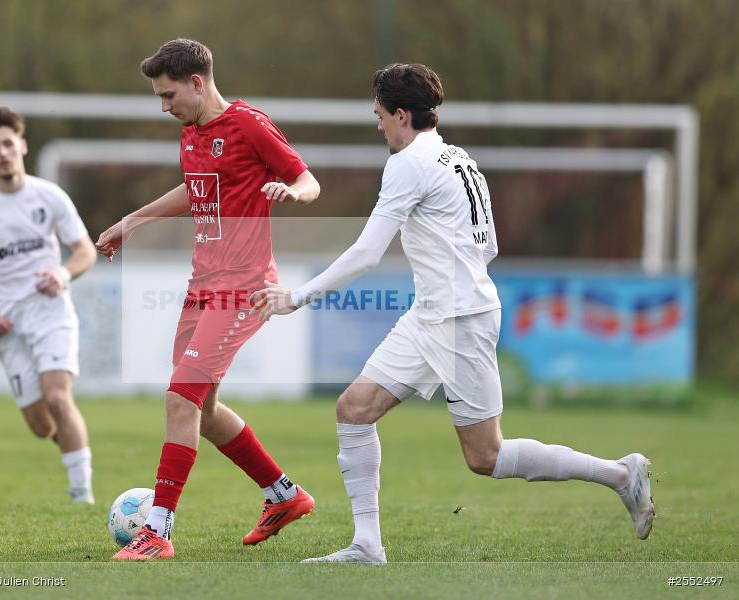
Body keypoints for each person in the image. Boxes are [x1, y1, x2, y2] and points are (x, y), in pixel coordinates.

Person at [250, 63, 655, 563]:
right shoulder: (458, 157)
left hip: (460, 319)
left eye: (379, 116)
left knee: (486, 456)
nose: (378, 126)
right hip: (436, 313)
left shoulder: (408, 163)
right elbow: (489, 244)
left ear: (401, 114)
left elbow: (366, 253)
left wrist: (296, 297)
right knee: (353, 410)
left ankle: (620, 474)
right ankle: (366, 545)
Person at [95, 38, 321, 561]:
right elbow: (195, 190)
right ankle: (284, 496)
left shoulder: (249, 125)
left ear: (198, 82)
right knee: (202, 407)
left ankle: (157, 530)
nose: (164, 105)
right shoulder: (193, 132)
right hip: (204, 286)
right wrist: (132, 222)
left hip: (244, 287)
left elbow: (306, 179)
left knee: (180, 399)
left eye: (169, 94)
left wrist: (293, 193)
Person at [0, 105, 98, 504]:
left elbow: (84, 251)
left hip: (49, 310)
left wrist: (62, 275)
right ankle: (68, 441)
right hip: (4, 323)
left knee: (59, 398)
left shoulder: (49, 196)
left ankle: (83, 497)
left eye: (8, 143)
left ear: (22, 145)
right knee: (41, 424)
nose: (2, 152)